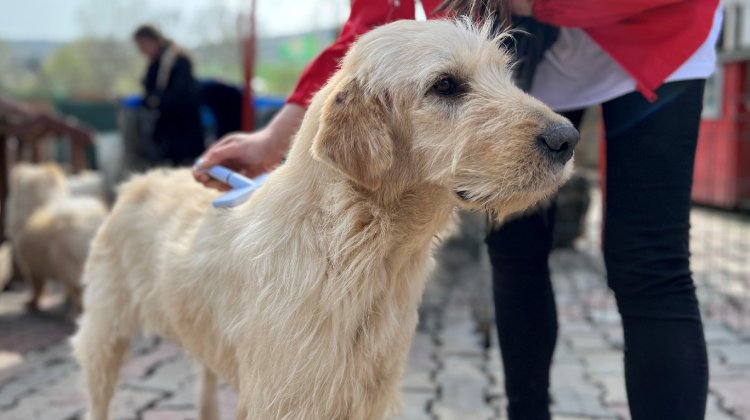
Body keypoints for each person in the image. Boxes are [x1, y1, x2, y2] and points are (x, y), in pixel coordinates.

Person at [193, 1, 720, 419]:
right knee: (514, 255)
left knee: (651, 264)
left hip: (657, 28)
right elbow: (371, 28)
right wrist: (274, 136)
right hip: (515, 43)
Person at [133, 25, 205, 166]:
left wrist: (153, 100)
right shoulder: (155, 63)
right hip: (167, 131)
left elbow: (180, 95)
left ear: (154, 41)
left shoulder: (177, 61)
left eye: (143, 44)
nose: (141, 50)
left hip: (183, 128)